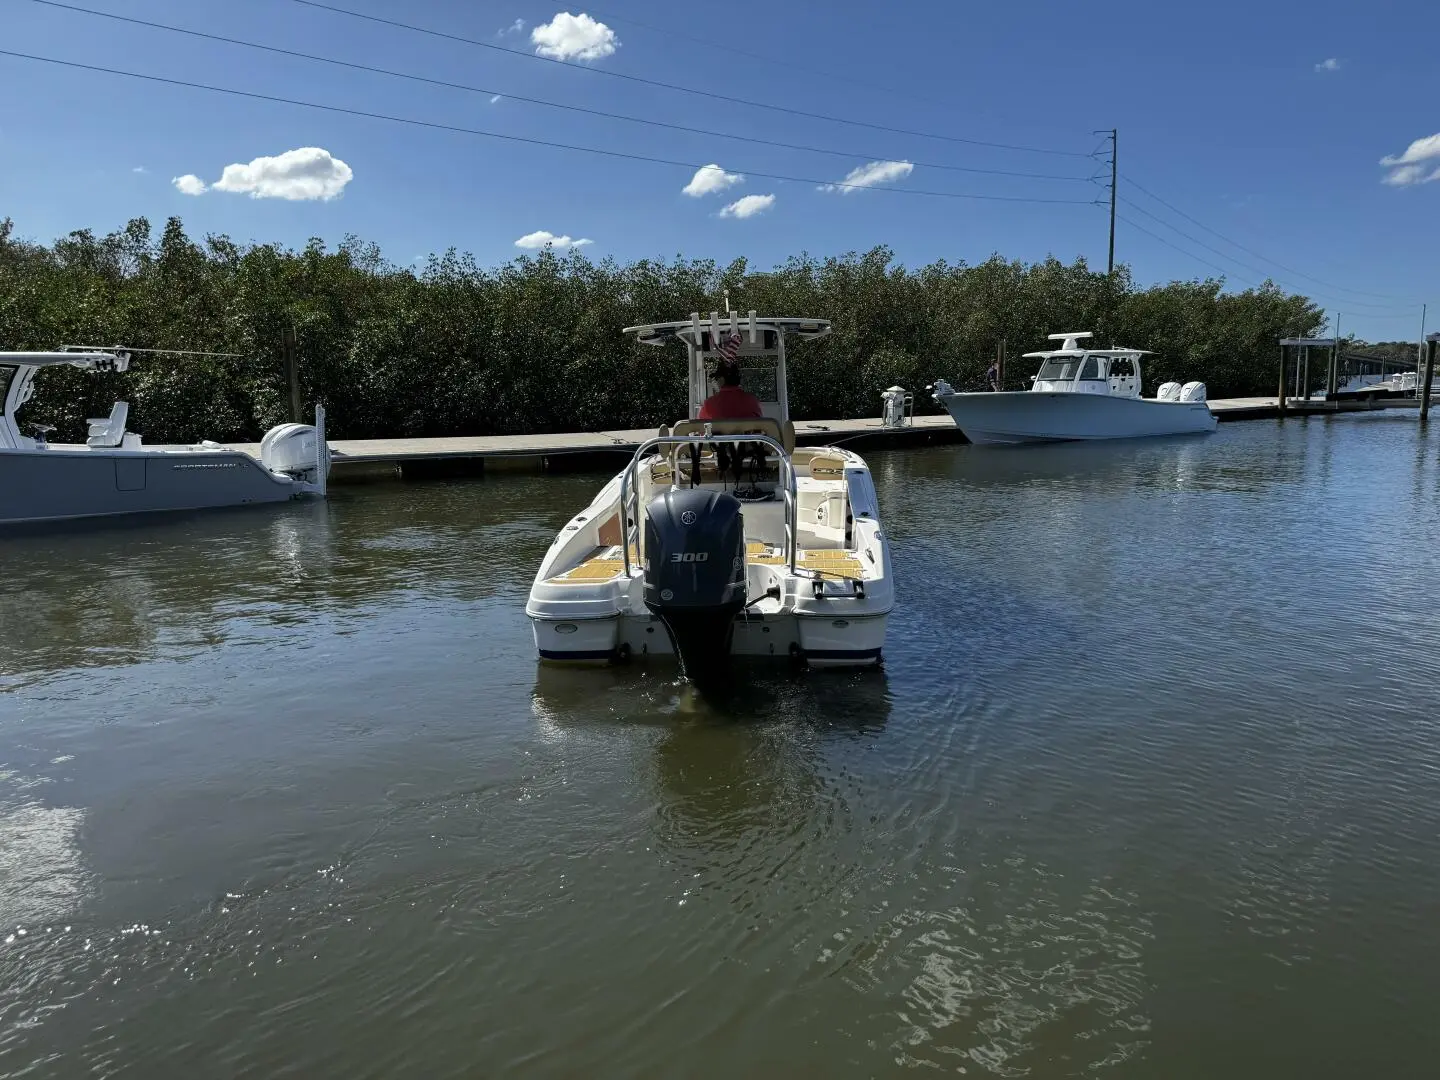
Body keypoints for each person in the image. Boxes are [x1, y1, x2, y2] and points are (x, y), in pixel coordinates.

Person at [698, 361, 764, 420]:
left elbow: (701, 428)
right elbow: (760, 425)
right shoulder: (752, 401)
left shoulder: (709, 404)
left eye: (717, 378)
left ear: (722, 379)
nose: (716, 381)